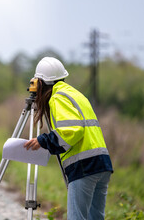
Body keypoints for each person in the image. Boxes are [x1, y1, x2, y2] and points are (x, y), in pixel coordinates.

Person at [24, 57, 113, 220]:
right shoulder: (76, 94)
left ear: (41, 83)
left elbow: (72, 130)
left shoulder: (58, 97)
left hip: (84, 166)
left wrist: (44, 141)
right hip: (102, 163)